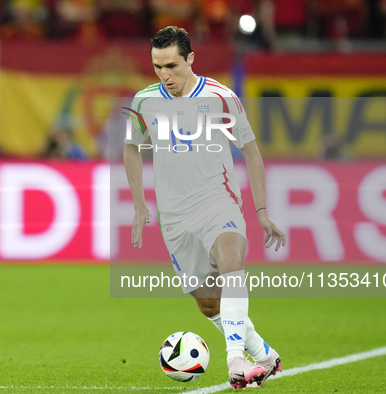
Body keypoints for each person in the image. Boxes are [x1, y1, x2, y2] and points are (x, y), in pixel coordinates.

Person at [123, 26, 286, 389]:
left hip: (218, 200)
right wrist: (139, 203)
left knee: (232, 264)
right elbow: (132, 147)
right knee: (209, 305)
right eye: (157, 67)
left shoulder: (219, 97)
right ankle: (264, 355)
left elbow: (251, 151)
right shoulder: (144, 101)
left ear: (190, 59)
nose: (165, 75)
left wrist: (260, 211)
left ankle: (235, 362)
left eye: (172, 66)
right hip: (175, 217)